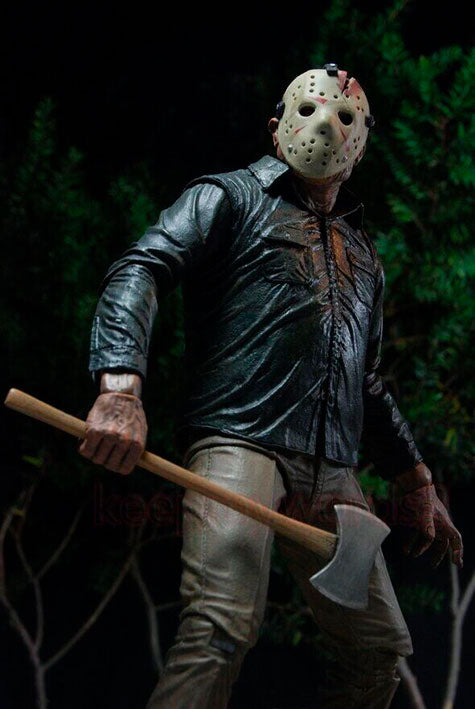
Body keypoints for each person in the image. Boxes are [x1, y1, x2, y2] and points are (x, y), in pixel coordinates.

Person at [79, 65, 463, 708]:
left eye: (345, 117)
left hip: (332, 469)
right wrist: (120, 388)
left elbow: (365, 380)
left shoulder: (362, 254)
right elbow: (141, 267)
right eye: (308, 109)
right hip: (240, 441)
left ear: (362, 145)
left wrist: (415, 478)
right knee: (220, 625)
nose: (325, 125)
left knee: (377, 650)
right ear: (276, 125)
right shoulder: (228, 197)